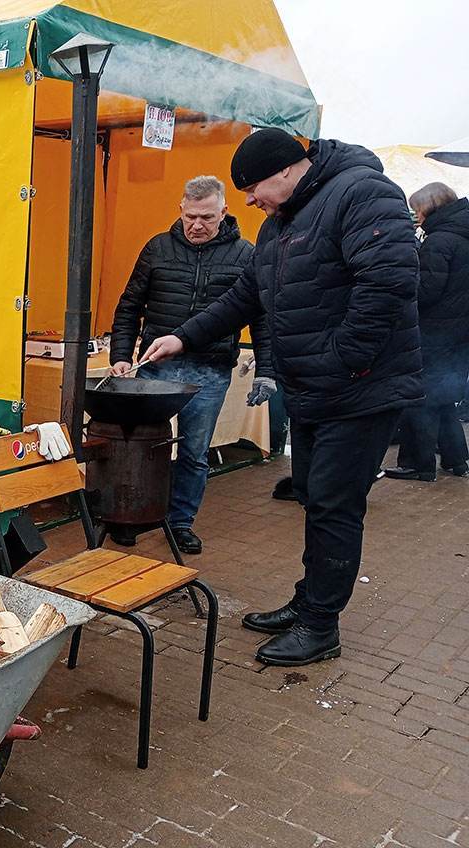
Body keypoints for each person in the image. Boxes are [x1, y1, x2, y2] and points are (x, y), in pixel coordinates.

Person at [142, 128, 422, 667]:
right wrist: (185, 335)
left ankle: (321, 627)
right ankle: (309, 601)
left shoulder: (363, 192)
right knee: (315, 499)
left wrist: (344, 360)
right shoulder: (282, 222)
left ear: (285, 171)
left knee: (336, 507)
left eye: (251, 189)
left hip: (360, 390)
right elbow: (247, 295)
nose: (248, 201)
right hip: (318, 390)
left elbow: (387, 284)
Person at [107, 175, 273, 554]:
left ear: (224, 213)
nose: (197, 225)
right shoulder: (157, 248)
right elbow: (129, 305)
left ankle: (179, 522)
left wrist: (267, 370)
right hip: (154, 367)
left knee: (195, 452)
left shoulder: (246, 256)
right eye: (190, 217)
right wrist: (120, 355)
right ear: (181, 209)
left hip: (210, 371)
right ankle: (133, 515)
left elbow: (262, 318)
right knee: (143, 445)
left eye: (207, 218)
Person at [384, 182, 469, 480]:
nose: (415, 215)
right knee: (443, 398)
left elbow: (426, 291)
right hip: (458, 334)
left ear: (431, 206)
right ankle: (457, 461)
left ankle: (417, 465)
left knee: (418, 398)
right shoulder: (462, 236)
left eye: (417, 208)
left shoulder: (439, 241)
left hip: (433, 333)